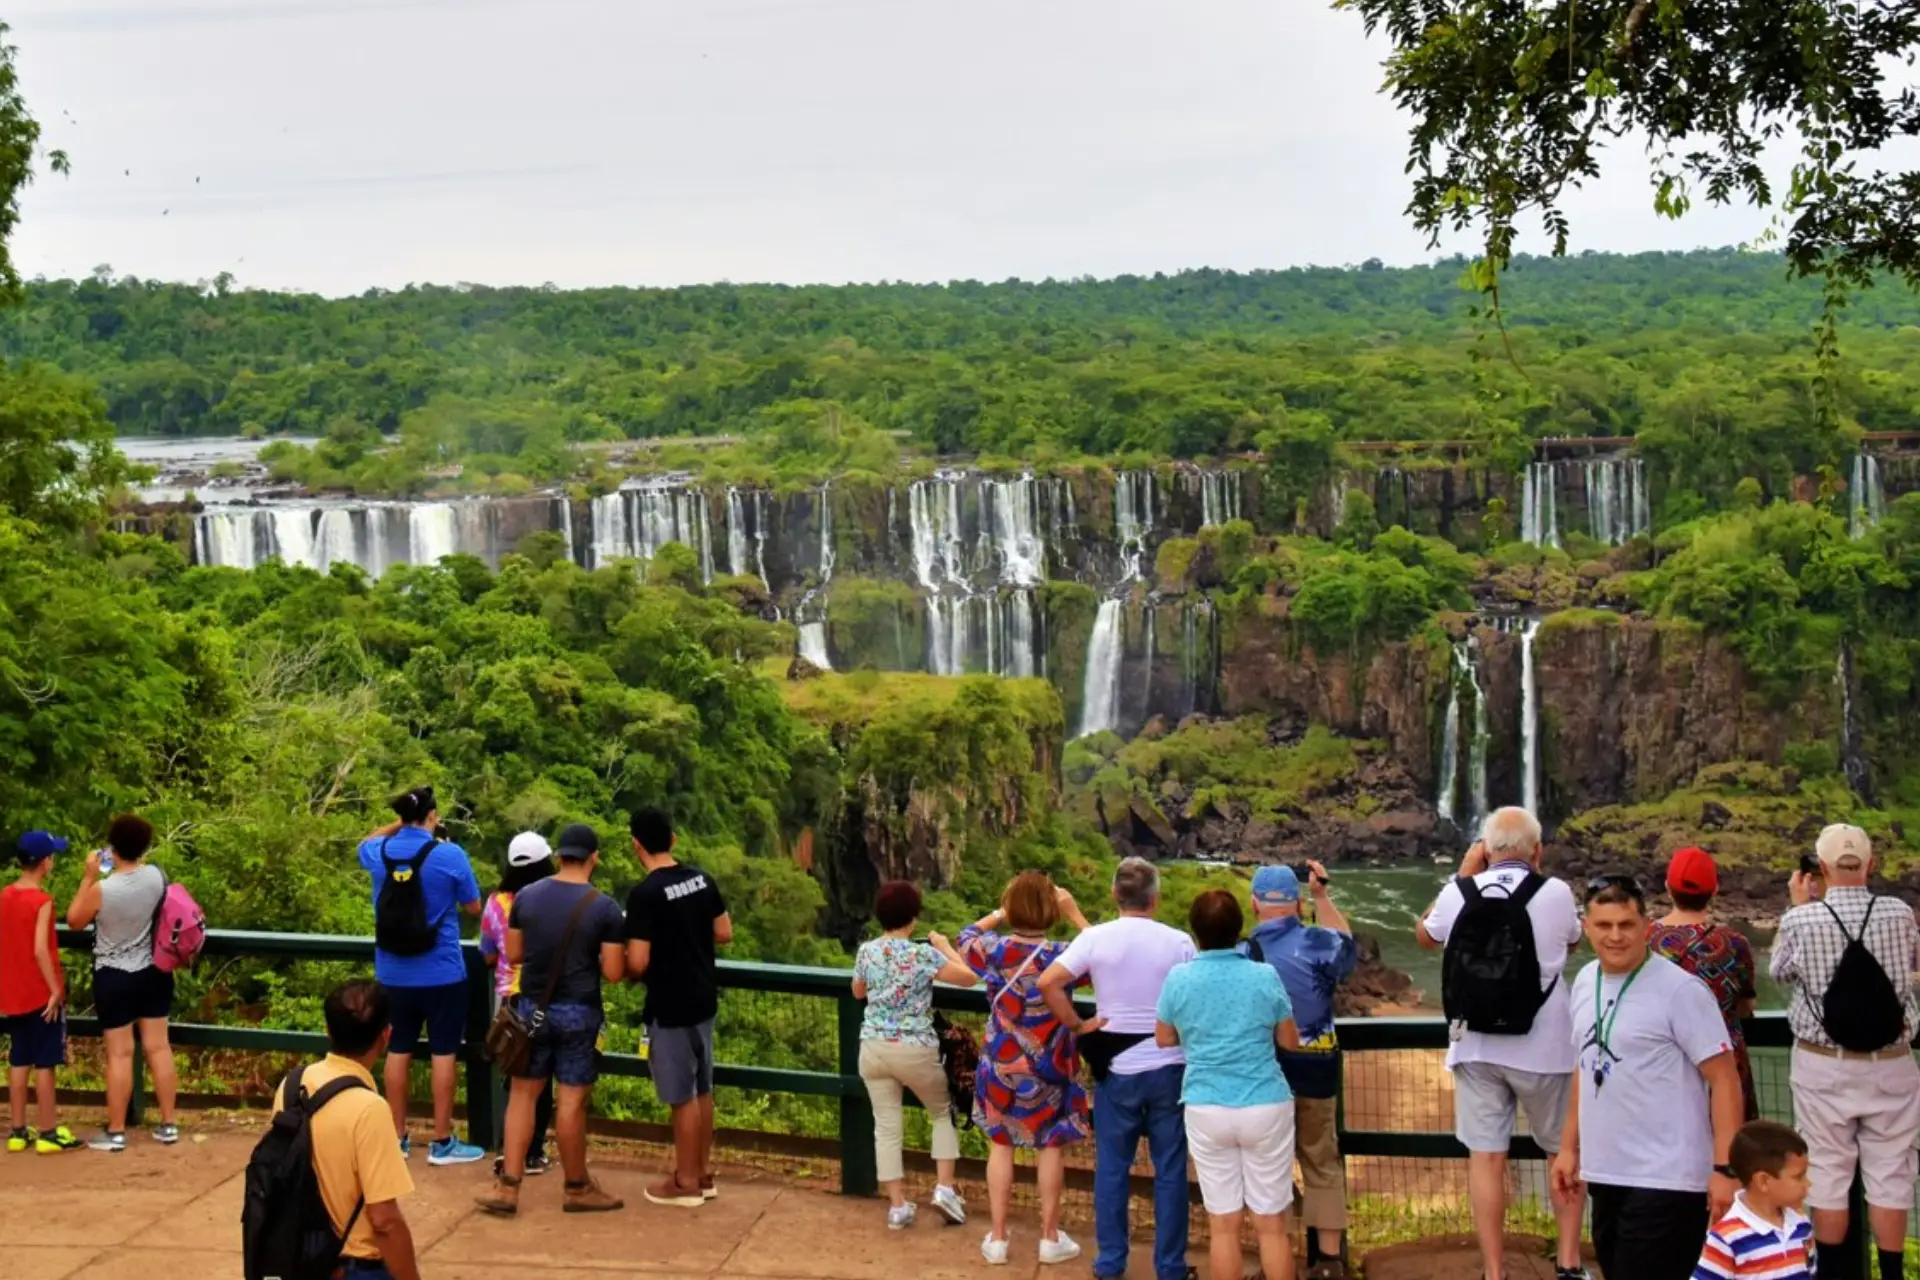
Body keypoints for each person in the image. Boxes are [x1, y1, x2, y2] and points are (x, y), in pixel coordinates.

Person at [1416, 807, 1587, 1280]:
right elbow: (1573, 941)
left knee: (1487, 1159)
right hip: (1547, 1046)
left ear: (1486, 850)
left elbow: (1425, 936)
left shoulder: (1458, 891)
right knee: (1563, 1153)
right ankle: (1569, 1262)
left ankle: (1494, 1271)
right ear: (1538, 851)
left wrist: (1464, 873)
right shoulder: (1555, 892)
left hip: (1476, 1047)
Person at [1551, 876, 1743, 1280]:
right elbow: (1583, 1066)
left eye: (1626, 925)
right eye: (1604, 926)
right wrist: (1568, 1148)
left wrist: (1725, 1170)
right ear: (1587, 928)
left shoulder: (1681, 992)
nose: (1616, 936)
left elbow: (1725, 1079)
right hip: (1606, 1172)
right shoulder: (1586, 980)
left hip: (1668, 1178)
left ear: (1646, 925)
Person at [1769, 823, 1920, 1280]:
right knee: (1892, 1176)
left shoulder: (1802, 918)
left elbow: (1778, 973)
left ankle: (1833, 1275)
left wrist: (1800, 906)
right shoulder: (1899, 913)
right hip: (1892, 1063)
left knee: (1829, 1177)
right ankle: (1891, 1275)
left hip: (1823, 1065)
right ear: (1871, 865)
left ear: (1820, 868)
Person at [1036, 857, 1195, 1280]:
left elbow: (1047, 982)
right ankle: (1171, 1266)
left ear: (1114, 895)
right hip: (1169, 1065)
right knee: (1171, 1169)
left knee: (1111, 1167)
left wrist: (1077, 1024)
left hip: (1116, 1068)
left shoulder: (1096, 939)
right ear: (1155, 898)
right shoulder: (1179, 942)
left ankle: (1110, 1263)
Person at [943, 870, 1093, 1267]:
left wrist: (998, 912)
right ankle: (1048, 1237)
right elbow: (1104, 956)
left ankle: (997, 1238)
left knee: (1001, 1145)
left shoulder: (994, 950)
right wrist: (1075, 913)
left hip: (999, 1064)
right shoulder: (1064, 955)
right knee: (1050, 1146)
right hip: (1051, 1067)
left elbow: (964, 935)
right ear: (1050, 910)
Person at [475, 823, 627, 1216]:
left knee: (523, 1095)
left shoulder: (526, 897)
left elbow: (514, 952)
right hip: (579, 1011)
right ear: (593, 858)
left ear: (559, 856)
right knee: (571, 1102)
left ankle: (508, 1187)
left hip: (531, 1010)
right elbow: (613, 972)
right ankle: (576, 1187)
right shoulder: (605, 907)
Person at [1155, 888, 1301, 1280]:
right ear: (1240, 929)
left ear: (1195, 931)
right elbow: (1290, 1041)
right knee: (1271, 1225)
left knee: (1223, 1225)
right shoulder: (1263, 975)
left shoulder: (1179, 978)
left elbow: (1164, 1037)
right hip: (1264, 1103)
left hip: (1206, 1105)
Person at [357, 786, 485, 1166]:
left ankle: (397, 1137)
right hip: (442, 972)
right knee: (444, 1052)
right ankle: (442, 1141)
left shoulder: (378, 853)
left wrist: (399, 825)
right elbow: (474, 906)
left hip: (393, 973)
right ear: (432, 817)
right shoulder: (449, 855)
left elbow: (366, 840)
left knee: (398, 1051)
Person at [1242, 862, 1357, 1280]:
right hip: (1317, 1065)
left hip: (1265, 1069)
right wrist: (1322, 896)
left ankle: (1277, 1261)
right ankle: (1329, 1262)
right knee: (1322, 1160)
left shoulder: (1244, 953)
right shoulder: (1318, 942)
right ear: (1295, 902)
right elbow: (1347, 946)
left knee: (1268, 1166)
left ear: (1255, 904)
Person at [850, 879, 976, 1229]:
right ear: (913, 918)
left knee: (886, 1127)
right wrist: (946, 946)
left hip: (873, 1048)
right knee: (941, 1112)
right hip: (914, 1048)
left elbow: (857, 991)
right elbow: (969, 978)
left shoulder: (867, 951)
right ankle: (945, 1189)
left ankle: (897, 1206)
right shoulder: (923, 954)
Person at [623, 806, 732, 1208]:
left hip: (669, 1005)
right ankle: (703, 1173)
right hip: (704, 998)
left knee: (681, 1097)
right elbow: (724, 931)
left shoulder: (645, 895)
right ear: (672, 839)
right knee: (702, 1089)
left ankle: (685, 1182)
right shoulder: (702, 879)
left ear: (637, 845)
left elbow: (636, 961)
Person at [281, 979, 421, 1280]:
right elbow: (384, 1220)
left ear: (329, 1031)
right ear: (386, 1036)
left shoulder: (293, 1085)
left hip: (297, 1257)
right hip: (354, 1266)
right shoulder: (369, 1109)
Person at [66, 814, 180, 1152]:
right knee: (159, 1047)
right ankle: (168, 1124)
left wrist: (89, 877)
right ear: (144, 847)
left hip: (114, 975)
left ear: (112, 848)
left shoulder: (104, 889)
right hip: (154, 972)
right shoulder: (156, 877)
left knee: (120, 1053)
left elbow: (74, 920)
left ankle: (116, 1132)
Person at [1648, 846, 1759, 1120]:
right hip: (1725, 1066)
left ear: (1667, 887)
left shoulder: (1644, 940)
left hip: (1660, 1062)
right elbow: (1746, 1004)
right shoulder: (1734, 944)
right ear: (1714, 890)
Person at [478, 830, 558, 1177]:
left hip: (509, 999)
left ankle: (506, 1149)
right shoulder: (553, 900)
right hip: (546, 996)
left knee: (515, 1076)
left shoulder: (496, 902)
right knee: (542, 1078)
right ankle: (533, 1151)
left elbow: (487, 955)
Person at [2, 831, 82, 1152]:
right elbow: (39, 950)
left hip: (11, 993)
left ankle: (18, 1131)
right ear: (45, 863)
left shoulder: (4, 895)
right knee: (45, 1062)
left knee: (19, 1059)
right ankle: (48, 1131)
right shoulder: (43, 901)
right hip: (38, 992)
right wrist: (54, 991)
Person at [1693, 1120, 1814, 1280]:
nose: (1808, 1183)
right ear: (1763, 1181)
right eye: (1798, 1177)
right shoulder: (1726, 1238)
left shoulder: (1801, 1225)